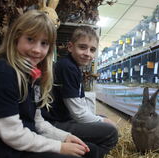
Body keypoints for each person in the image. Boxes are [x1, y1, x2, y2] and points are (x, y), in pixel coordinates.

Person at [0, 10, 99, 158]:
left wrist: (64, 137)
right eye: (30, 39)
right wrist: (59, 147)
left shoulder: (31, 76)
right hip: (2, 150)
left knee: (91, 151)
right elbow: (12, 134)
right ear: (16, 38)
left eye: (44, 43)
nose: (37, 50)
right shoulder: (3, 74)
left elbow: (37, 121)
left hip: (23, 141)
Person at [42, 26, 118, 158]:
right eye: (82, 47)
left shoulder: (73, 67)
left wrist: (100, 120)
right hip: (54, 123)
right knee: (111, 132)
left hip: (64, 119)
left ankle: (87, 148)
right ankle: (90, 152)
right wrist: (103, 122)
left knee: (103, 120)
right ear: (70, 47)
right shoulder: (67, 67)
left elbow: (81, 106)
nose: (88, 53)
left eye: (92, 49)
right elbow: (78, 114)